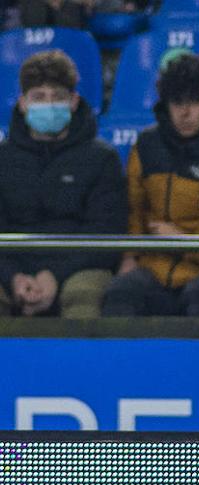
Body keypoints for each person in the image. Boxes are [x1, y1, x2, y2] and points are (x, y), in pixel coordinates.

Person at [101, 53, 199, 318]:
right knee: (119, 293)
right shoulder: (147, 147)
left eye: (195, 102)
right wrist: (129, 257)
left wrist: (185, 242)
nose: (185, 113)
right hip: (154, 268)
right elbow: (135, 214)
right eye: (177, 102)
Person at [0, 49, 125, 318]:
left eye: (57, 97)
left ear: (74, 101)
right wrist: (14, 278)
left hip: (81, 265)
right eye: (39, 97)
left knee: (82, 296)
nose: (49, 104)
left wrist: (54, 276)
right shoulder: (2, 158)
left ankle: (86, 362)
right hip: (11, 265)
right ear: (22, 103)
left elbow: (106, 235)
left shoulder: (102, 158)